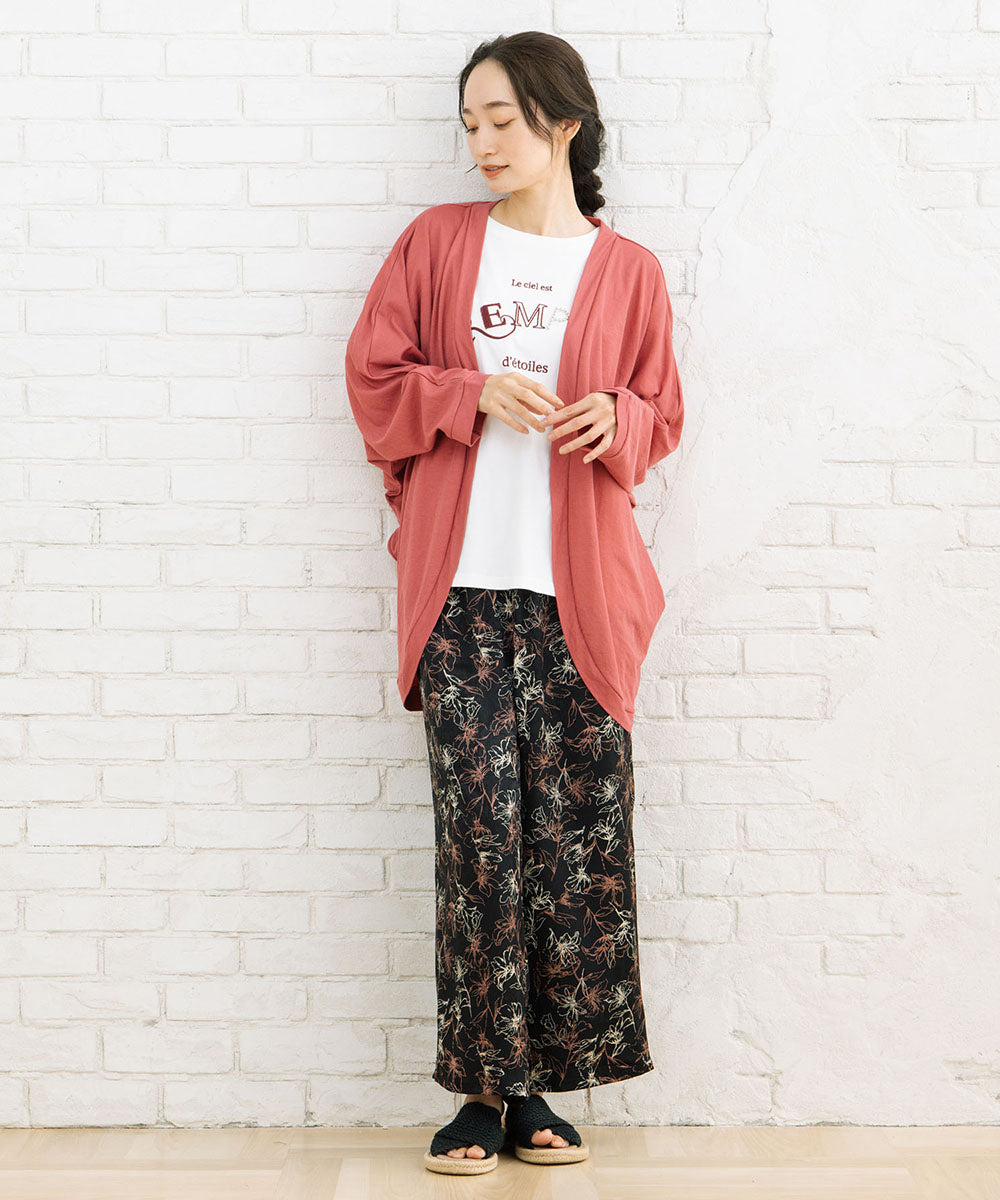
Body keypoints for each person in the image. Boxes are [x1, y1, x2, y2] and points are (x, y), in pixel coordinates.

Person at [345, 30, 684, 1177]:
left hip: (579, 595)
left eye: (502, 120)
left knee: (575, 846)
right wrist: (469, 392)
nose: (482, 142)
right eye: (470, 124)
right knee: (479, 843)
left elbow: (661, 414)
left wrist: (619, 418)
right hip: (462, 596)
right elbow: (374, 379)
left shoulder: (627, 270)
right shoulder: (439, 244)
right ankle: (479, 1093)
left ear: (563, 122)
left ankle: (539, 1085)